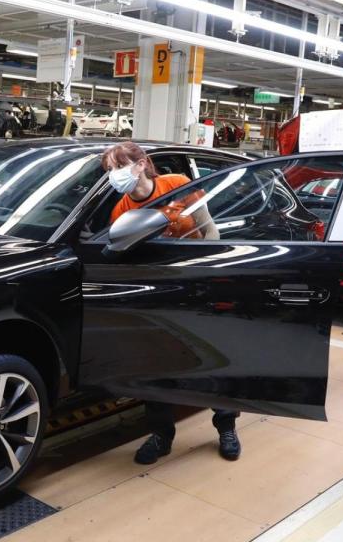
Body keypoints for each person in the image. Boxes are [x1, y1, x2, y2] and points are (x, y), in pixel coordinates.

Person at [100, 141, 241, 465]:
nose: (114, 175)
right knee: (157, 366)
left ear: (141, 164)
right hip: (159, 293)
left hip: (196, 285)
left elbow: (210, 231)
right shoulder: (121, 211)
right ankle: (162, 435)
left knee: (212, 360)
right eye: (109, 170)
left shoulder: (176, 185)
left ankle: (226, 428)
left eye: (118, 167)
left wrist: (207, 277)